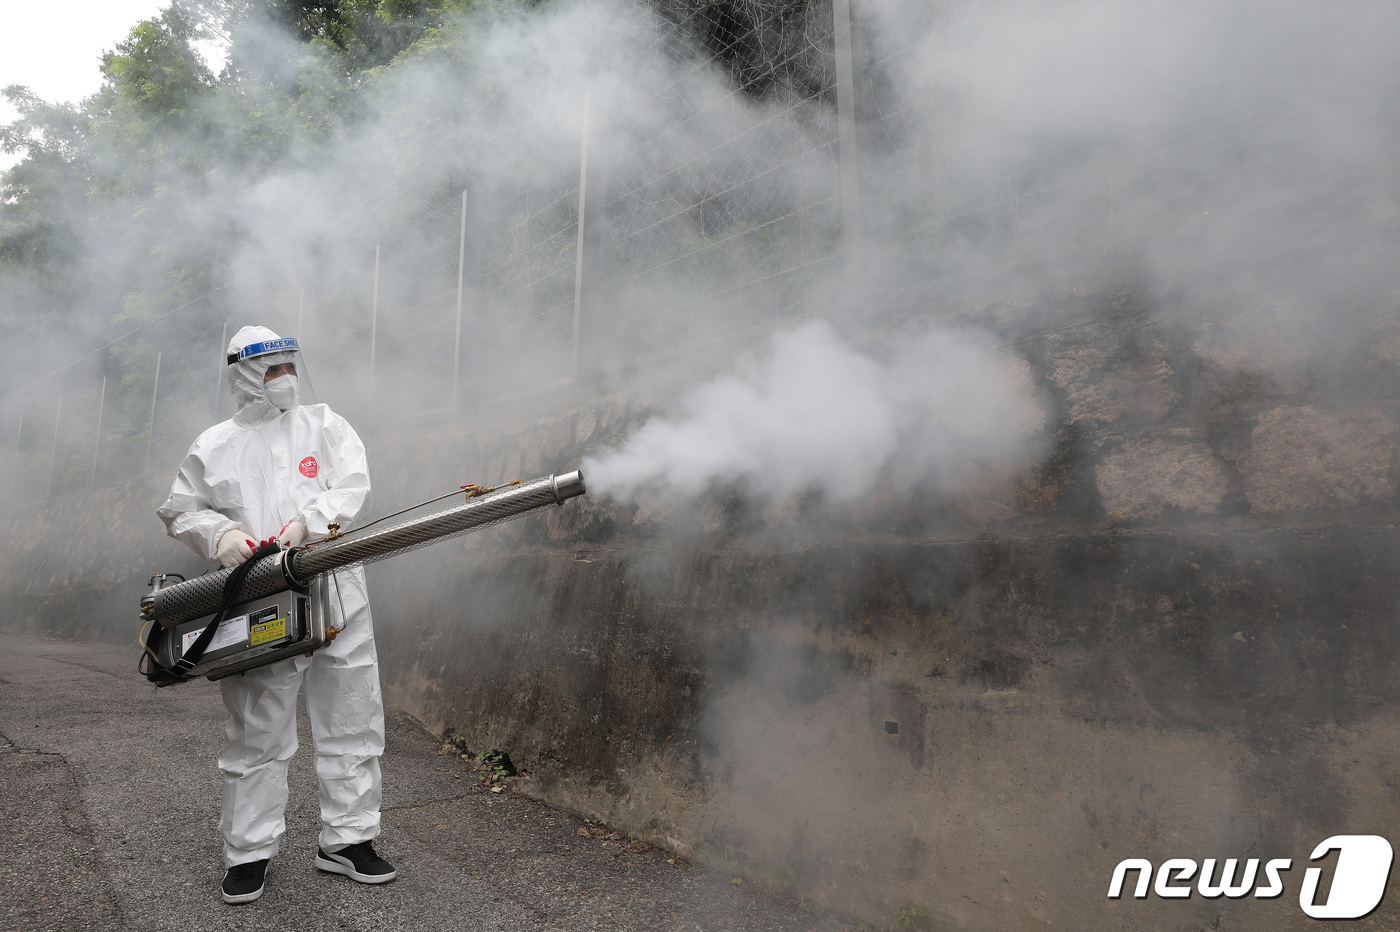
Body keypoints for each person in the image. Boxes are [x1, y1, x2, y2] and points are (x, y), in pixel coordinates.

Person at [157, 325, 396, 904]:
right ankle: (248, 852)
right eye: (271, 369)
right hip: (261, 597)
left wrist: (308, 523)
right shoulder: (215, 444)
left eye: (290, 365)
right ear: (241, 374)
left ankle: (349, 838)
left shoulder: (325, 424)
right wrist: (221, 536)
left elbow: (352, 483)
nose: (284, 377)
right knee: (258, 726)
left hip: (337, 585)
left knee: (353, 716)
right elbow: (180, 508)